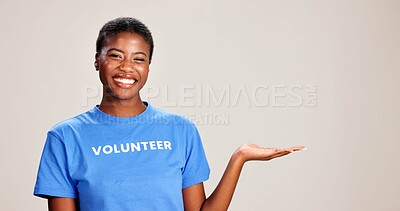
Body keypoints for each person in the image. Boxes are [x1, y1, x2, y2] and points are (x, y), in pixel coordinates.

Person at [33, 17, 305, 211]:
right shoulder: (65, 137)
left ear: (149, 66)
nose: (127, 67)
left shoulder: (180, 130)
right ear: (97, 60)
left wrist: (239, 158)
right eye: (116, 56)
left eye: (138, 58)